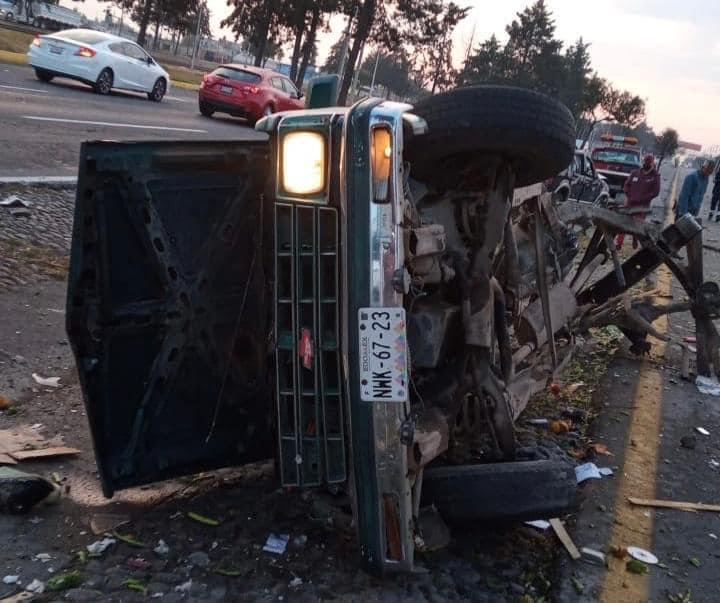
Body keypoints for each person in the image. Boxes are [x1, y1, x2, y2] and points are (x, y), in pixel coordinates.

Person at [615, 154, 661, 248]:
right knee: (623, 223)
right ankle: (619, 243)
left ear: (652, 164)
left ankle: (635, 241)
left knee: (637, 225)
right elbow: (626, 185)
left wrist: (643, 199)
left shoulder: (655, 176)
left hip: (642, 206)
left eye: (649, 162)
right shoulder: (635, 173)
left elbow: (655, 192)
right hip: (630, 203)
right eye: (645, 161)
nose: (646, 164)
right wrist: (629, 195)